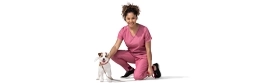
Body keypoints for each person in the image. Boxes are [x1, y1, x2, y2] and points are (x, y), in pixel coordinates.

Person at [100, 3, 161, 80]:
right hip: (131, 55)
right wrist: (107, 58)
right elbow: (116, 46)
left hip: (142, 57)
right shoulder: (123, 30)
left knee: (138, 77)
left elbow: (148, 50)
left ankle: (154, 67)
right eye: (128, 18)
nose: (131, 21)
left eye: (133, 18)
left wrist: (149, 67)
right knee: (113, 54)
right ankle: (129, 69)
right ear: (125, 18)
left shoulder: (144, 30)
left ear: (136, 17)